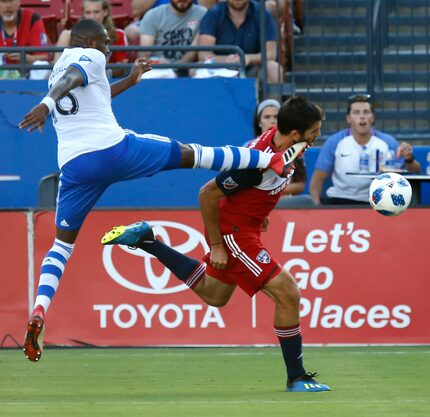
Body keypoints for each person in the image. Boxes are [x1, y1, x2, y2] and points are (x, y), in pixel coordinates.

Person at [19, 19, 297, 363]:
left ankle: (39, 311)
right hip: (111, 149)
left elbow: (89, 93)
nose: (109, 47)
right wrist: (45, 105)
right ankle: (264, 159)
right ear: (90, 39)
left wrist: (130, 81)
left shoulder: (57, 64)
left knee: (61, 246)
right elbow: (73, 77)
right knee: (188, 154)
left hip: (74, 168)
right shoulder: (86, 55)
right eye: (106, 41)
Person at [102, 96, 330, 392]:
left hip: (246, 227)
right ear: (297, 133)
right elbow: (208, 194)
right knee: (288, 293)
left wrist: (260, 212)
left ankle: (148, 241)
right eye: (315, 130)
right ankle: (297, 378)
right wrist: (218, 245)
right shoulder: (256, 160)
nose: (318, 135)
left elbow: (261, 189)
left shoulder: (288, 147)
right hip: (234, 234)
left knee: (215, 295)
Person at [310, 94, 421, 205]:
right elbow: (317, 179)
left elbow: (414, 173)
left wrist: (409, 160)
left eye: (366, 112)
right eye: (356, 112)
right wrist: (316, 206)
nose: (362, 116)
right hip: (340, 201)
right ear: (348, 118)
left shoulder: (389, 142)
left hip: (378, 202)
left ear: (373, 117)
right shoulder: (335, 142)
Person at [197, 0, 283, 83]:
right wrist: (224, 60)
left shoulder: (263, 13)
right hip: (219, 68)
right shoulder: (213, 13)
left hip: (252, 68)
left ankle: (271, 99)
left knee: (273, 68)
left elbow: (271, 54)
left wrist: (248, 58)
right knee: (195, 69)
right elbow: (204, 54)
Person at [55, 0, 128, 77]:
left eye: (96, 12)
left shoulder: (119, 34)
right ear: (83, 13)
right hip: (75, 79)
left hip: (106, 80)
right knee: (65, 34)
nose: (92, 17)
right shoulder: (70, 35)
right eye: (88, 12)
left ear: (105, 12)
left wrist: (102, 73)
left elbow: (122, 68)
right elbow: (59, 67)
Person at [253, 99, 307, 199]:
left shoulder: (295, 149)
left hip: (284, 205)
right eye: (267, 117)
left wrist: (270, 190)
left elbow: (300, 185)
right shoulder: (249, 147)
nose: (272, 121)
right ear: (259, 122)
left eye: (276, 117)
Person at [138, 0, 206, 78]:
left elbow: (193, 50)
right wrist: (156, 62)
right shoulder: (154, 15)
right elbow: (144, 53)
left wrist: (173, 66)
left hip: (187, 66)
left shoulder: (202, 13)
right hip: (158, 68)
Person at [0, 0, 49, 79]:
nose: (8, 5)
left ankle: (36, 91)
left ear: (19, 2)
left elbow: (44, 56)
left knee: (42, 65)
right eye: (4, 1)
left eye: (11, 1)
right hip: (1, 73)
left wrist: (26, 58)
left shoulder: (32, 18)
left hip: (27, 74)